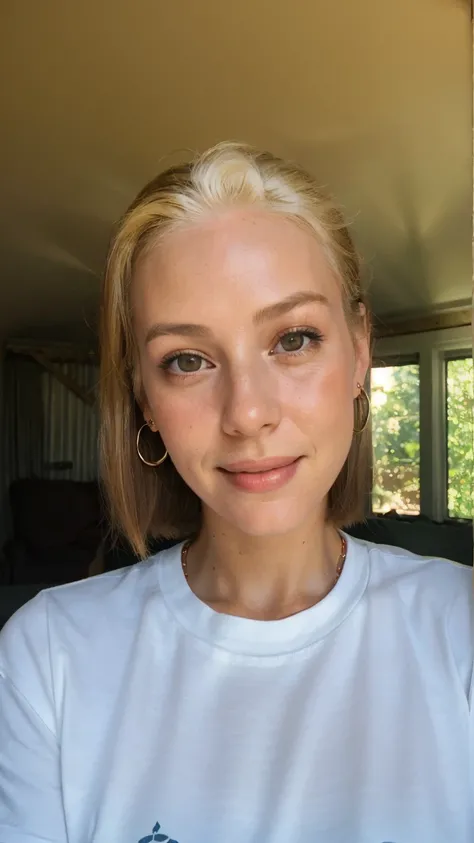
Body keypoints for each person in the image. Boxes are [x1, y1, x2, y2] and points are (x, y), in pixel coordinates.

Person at [0, 142, 472, 843]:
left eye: (294, 338)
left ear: (359, 348)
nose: (247, 413)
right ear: (144, 395)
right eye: (186, 360)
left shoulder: (459, 630)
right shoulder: (48, 656)